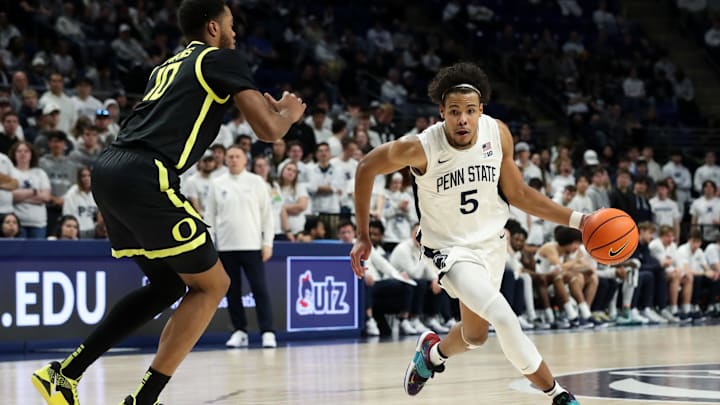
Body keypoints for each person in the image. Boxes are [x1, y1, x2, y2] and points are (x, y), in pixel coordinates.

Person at [31, 1, 306, 404]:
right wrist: (289, 115)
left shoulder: (168, 66)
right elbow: (267, 130)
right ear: (213, 27)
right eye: (230, 23)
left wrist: (273, 111)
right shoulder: (221, 58)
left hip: (109, 169)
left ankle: (64, 374)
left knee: (168, 285)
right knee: (215, 285)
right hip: (146, 173)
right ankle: (143, 400)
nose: (235, 31)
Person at [349, 62, 582, 404]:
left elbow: (517, 194)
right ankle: (557, 394)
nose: (462, 120)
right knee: (503, 317)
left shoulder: (498, 133)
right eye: (454, 111)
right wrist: (362, 234)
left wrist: (580, 220)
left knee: (475, 335)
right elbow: (366, 167)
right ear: (441, 112)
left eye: (470, 112)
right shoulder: (420, 147)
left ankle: (432, 354)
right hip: (449, 250)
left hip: (491, 244)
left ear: (480, 112)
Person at [205, 145, 277, 349]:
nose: (234, 160)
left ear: (245, 159)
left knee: (259, 289)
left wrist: (267, 242)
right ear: (225, 160)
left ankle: (268, 332)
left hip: (252, 245)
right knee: (232, 291)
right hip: (226, 247)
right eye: (230, 157)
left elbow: (267, 215)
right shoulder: (217, 183)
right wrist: (210, 246)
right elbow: (209, 216)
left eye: (237, 156)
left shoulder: (257, 182)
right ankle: (239, 330)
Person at [10, 141, 51, 238]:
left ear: (31, 154)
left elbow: (46, 197)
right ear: (14, 154)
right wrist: (34, 192)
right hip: (17, 223)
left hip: (38, 223)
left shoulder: (40, 173)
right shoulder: (10, 172)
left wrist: (20, 197)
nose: (22, 154)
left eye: (26, 151)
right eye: (19, 151)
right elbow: (9, 196)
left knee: (37, 252)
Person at [62, 166, 97, 239]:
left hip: (94, 232)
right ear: (79, 179)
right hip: (78, 232)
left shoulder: (97, 193)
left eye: (89, 176)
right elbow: (67, 216)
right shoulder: (71, 194)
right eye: (83, 176)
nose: (87, 179)